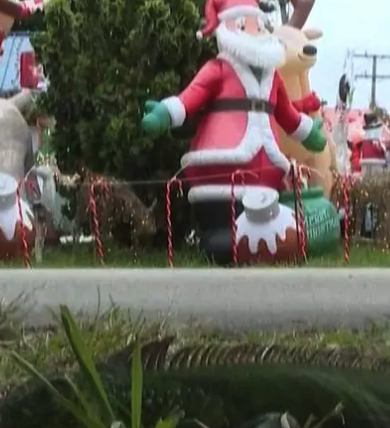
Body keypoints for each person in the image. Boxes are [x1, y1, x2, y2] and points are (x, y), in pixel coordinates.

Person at [139, 0, 327, 262]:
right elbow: (190, 97)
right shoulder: (218, 69)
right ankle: (223, 236)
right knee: (223, 230)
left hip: (265, 172)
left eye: (258, 25)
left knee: (266, 222)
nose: (253, 32)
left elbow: (287, 114)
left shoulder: (273, 77)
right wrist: (165, 114)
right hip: (222, 165)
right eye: (242, 24)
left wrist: (310, 133)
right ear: (225, 29)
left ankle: (263, 241)